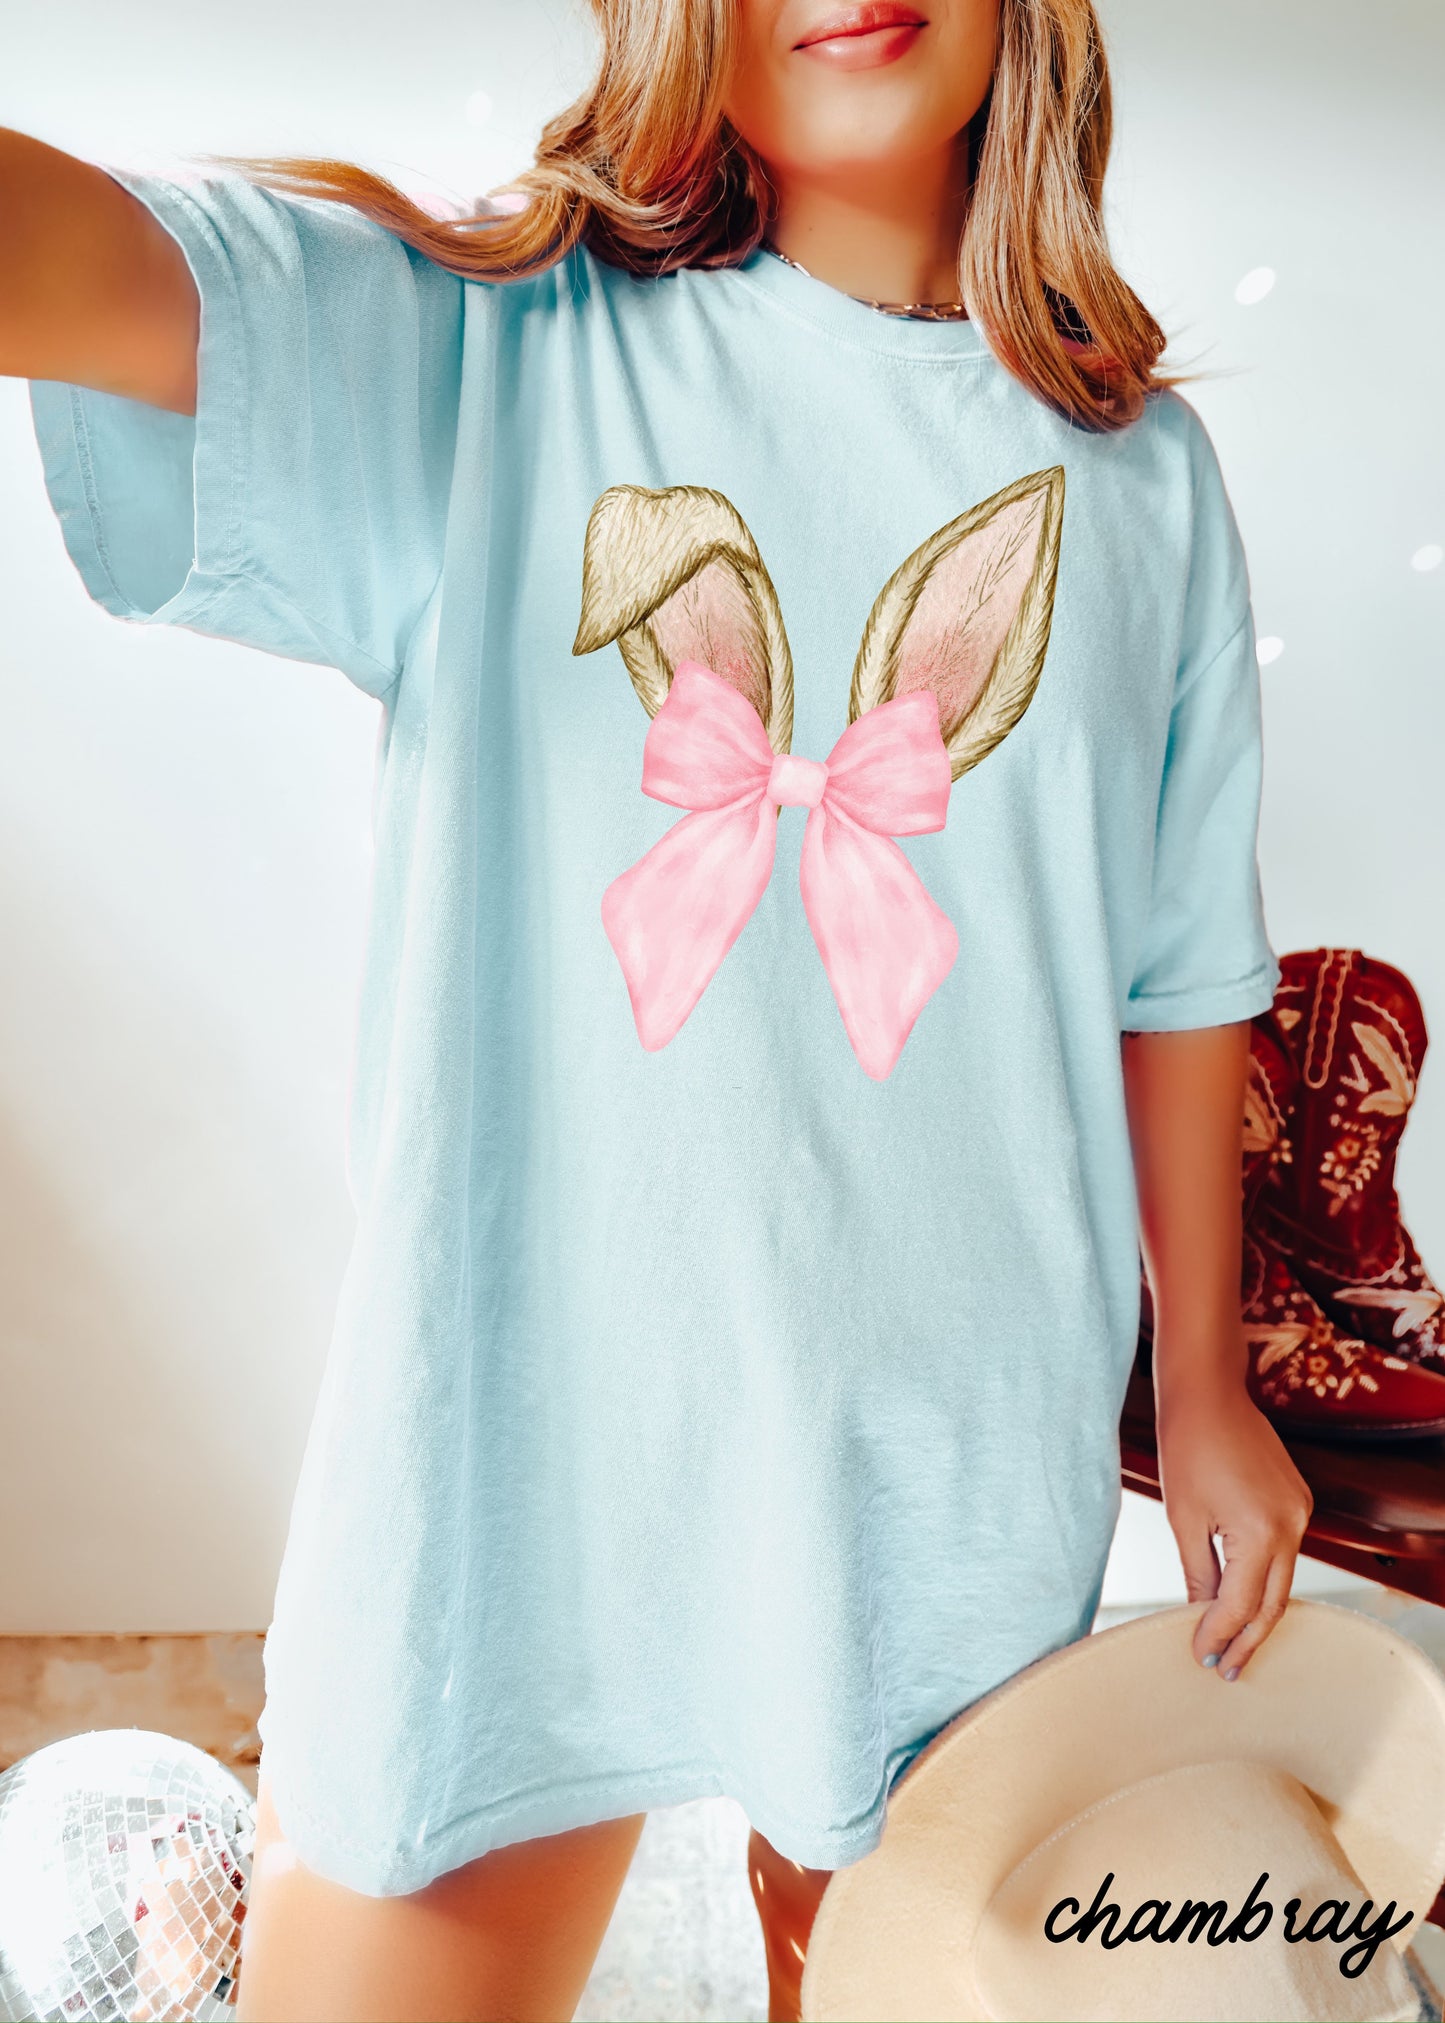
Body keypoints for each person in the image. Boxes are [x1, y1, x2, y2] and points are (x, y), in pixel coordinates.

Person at [1, 0, 1315, 2016]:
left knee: (884, 1973)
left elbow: (1181, 965)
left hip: (947, 1464)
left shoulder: (1143, 484)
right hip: (524, 1472)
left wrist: (1206, 1393)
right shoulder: (486, 358)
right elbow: (72, 258)